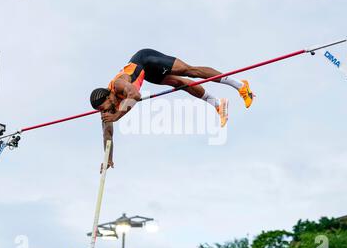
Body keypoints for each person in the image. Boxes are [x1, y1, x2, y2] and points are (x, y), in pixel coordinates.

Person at [90, 49, 254, 171]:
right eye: (101, 111)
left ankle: (240, 85)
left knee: (190, 71)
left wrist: (118, 115)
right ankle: (218, 104)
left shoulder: (118, 85)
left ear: (108, 97)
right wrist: (108, 159)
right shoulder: (107, 108)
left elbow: (135, 94)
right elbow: (107, 134)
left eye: (104, 108)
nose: (105, 112)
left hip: (145, 59)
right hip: (146, 73)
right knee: (178, 83)